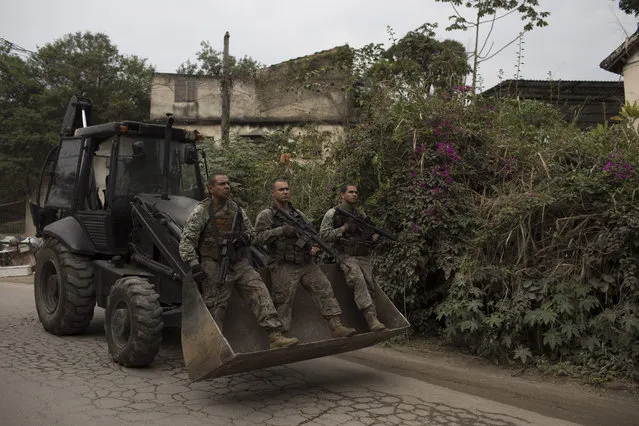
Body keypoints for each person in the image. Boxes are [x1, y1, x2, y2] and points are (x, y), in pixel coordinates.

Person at [179, 173, 299, 349]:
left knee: (260, 292)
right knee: (216, 305)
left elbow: (251, 233)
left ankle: (275, 336)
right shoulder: (202, 211)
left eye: (228, 183)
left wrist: (244, 238)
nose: (227, 187)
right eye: (221, 184)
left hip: (239, 263)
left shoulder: (237, 209)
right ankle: (213, 345)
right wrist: (194, 264)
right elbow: (187, 241)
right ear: (211, 188)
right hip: (214, 263)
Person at [254, 177, 357, 338]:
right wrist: (281, 230)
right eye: (281, 189)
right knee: (283, 300)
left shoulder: (298, 214)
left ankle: (336, 326)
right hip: (283, 264)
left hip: (305, 262)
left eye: (287, 189)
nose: (285, 192)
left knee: (324, 289)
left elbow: (310, 233)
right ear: (273, 193)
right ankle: (279, 336)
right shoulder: (267, 215)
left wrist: (312, 246)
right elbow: (257, 238)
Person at [319, 184, 386, 332]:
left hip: (362, 255)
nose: (354, 194)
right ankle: (371, 320)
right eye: (351, 192)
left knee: (370, 285)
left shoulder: (360, 213)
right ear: (342, 195)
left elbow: (369, 231)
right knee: (358, 279)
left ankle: (370, 321)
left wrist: (373, 236)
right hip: (345, 255)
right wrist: (343, 229)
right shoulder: (332, 214)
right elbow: (324, 235)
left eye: (356, 192)